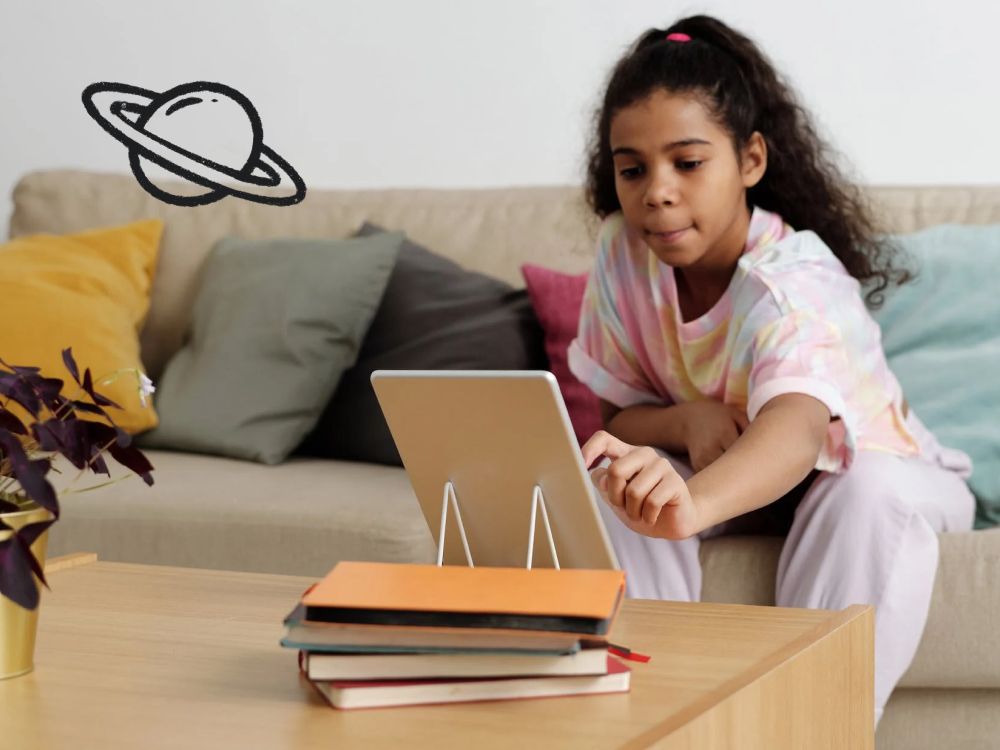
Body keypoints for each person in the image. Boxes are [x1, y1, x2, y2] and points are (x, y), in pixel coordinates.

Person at [568, 15, 976, 727]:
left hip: (873, 474)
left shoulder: (794, 280)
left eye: (687, 163)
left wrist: (690, 506)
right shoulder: (622, 254)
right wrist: (681, 421)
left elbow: (792, 431)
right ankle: (651, 718)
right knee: (620, 478)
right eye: (632, 169)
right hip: (747, 485)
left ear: (750, 160)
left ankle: (810, 730)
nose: (656, 192)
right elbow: (617, 419)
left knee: (866, 492)